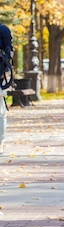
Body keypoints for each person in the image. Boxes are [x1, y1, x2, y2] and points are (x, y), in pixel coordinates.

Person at [0, 23, 12, 155]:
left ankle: (0, 142)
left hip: (0, 74)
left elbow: (8, 54)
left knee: (0, 111)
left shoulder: (3, 30)